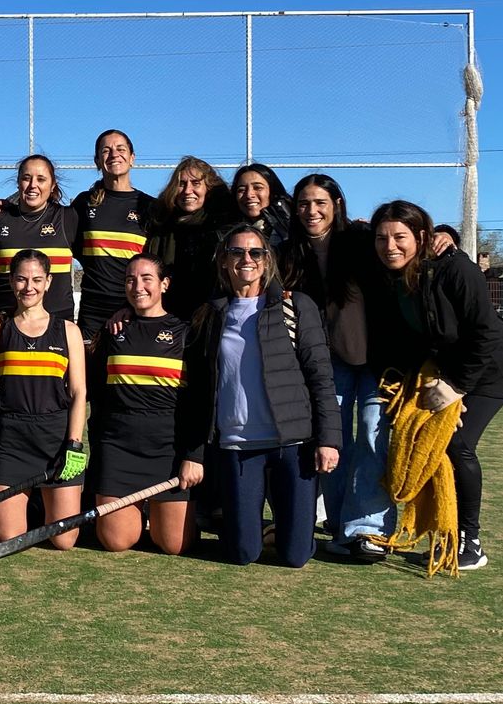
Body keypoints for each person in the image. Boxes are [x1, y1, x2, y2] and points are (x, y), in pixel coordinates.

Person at [370, 200, 503, 571]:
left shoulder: (454, 269)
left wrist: (458, 387)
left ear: (422, 237)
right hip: (446, 370)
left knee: (455, 443)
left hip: (488, 370)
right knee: (427, 444)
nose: (390, 246)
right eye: (382, 238)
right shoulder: (393, 276)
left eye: (400, 237)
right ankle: (442, 533)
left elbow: (483, 333)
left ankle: (470, 542)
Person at [180, 226, 340, 568]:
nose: (246, 260)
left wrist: (329, 440)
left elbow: (321, 378)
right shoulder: (208, 315)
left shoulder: (296, 306)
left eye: (256, 253)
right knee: (242, 554)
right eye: (237, 252)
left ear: (267, 262)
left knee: (296, 556)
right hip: (238, 446)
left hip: (293, 444)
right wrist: (195, 452)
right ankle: (257, 529)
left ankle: (285, 533)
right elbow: (198, 393)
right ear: (224, 262)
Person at [281, 173, 390, 559]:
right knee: (332, 442)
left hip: (377, 359)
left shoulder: (362, 240)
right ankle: (342, 528)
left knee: (375, 438)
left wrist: (444, 238)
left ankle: (369, 529)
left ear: (336, 205)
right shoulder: (289, 252)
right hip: (327, 365)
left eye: (320, 203)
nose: (312, 211)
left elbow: (404, 248)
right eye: (305, 204)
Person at [91, 254, 197, 554]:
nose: (137, 286)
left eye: (146, 278)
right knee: (117, 542)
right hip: (119, 448)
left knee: (174, 545)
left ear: (164, 284)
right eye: (130, 279)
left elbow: (199, 400)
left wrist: (195, 454)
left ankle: (161, 515)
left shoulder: (185, 333)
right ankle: (138, 512)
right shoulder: (112, 331)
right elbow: (98, 394)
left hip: (167, 448)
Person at [0, 250, 88, 548]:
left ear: (48, 282)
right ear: (11, 281)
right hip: (12, 439)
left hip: (55, 439)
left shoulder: (67, 330)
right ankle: (24, 505)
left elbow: (79, 391)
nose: (28, 287)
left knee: (64, 541)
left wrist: (74, 443)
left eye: (36, 279)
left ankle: (38, 502)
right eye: (20, 279)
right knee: (8, 537)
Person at [69, 130, 155, 339]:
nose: (114, 154)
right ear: (98, 161)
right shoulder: (84, 203)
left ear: (132, 158)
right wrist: (9, 209)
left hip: (134, 309)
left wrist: (132, 305)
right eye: (106, 150)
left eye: (121, 149)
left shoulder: (149, 206)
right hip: (92, 312)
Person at [0, 154, 78, 319]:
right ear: (18, 183)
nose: (33, 185)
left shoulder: (68, 218)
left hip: (56, 323)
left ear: (53, 185)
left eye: (41, 179)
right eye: (26, 178)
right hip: (6, 322)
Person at [146, 155, 235, 320]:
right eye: (181, 184)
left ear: (209, 187)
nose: (187, 191)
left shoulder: (224, 226)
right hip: (168, 314)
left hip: (211, 315)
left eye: (196, 183)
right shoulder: (161, 225)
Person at [230, 163, 293, 249]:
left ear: (272, 191)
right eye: (242, 190)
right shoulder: (226, 233)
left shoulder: (291, 226)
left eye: (257, 188)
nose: (249, 195)